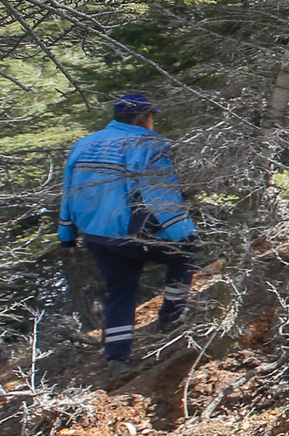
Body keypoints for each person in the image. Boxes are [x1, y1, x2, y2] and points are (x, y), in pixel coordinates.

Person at [57, 92, 197, 363]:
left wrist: (66, 234)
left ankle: (117, 357)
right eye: (152, 116)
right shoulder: (147, 144)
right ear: (144, 118)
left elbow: (68, 190)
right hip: (129, 234)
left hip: (95, 236)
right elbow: (160, 193)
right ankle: (171, 319)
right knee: (183, 257)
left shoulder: (84, 143)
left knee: (121, 292)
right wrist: (184, 233)